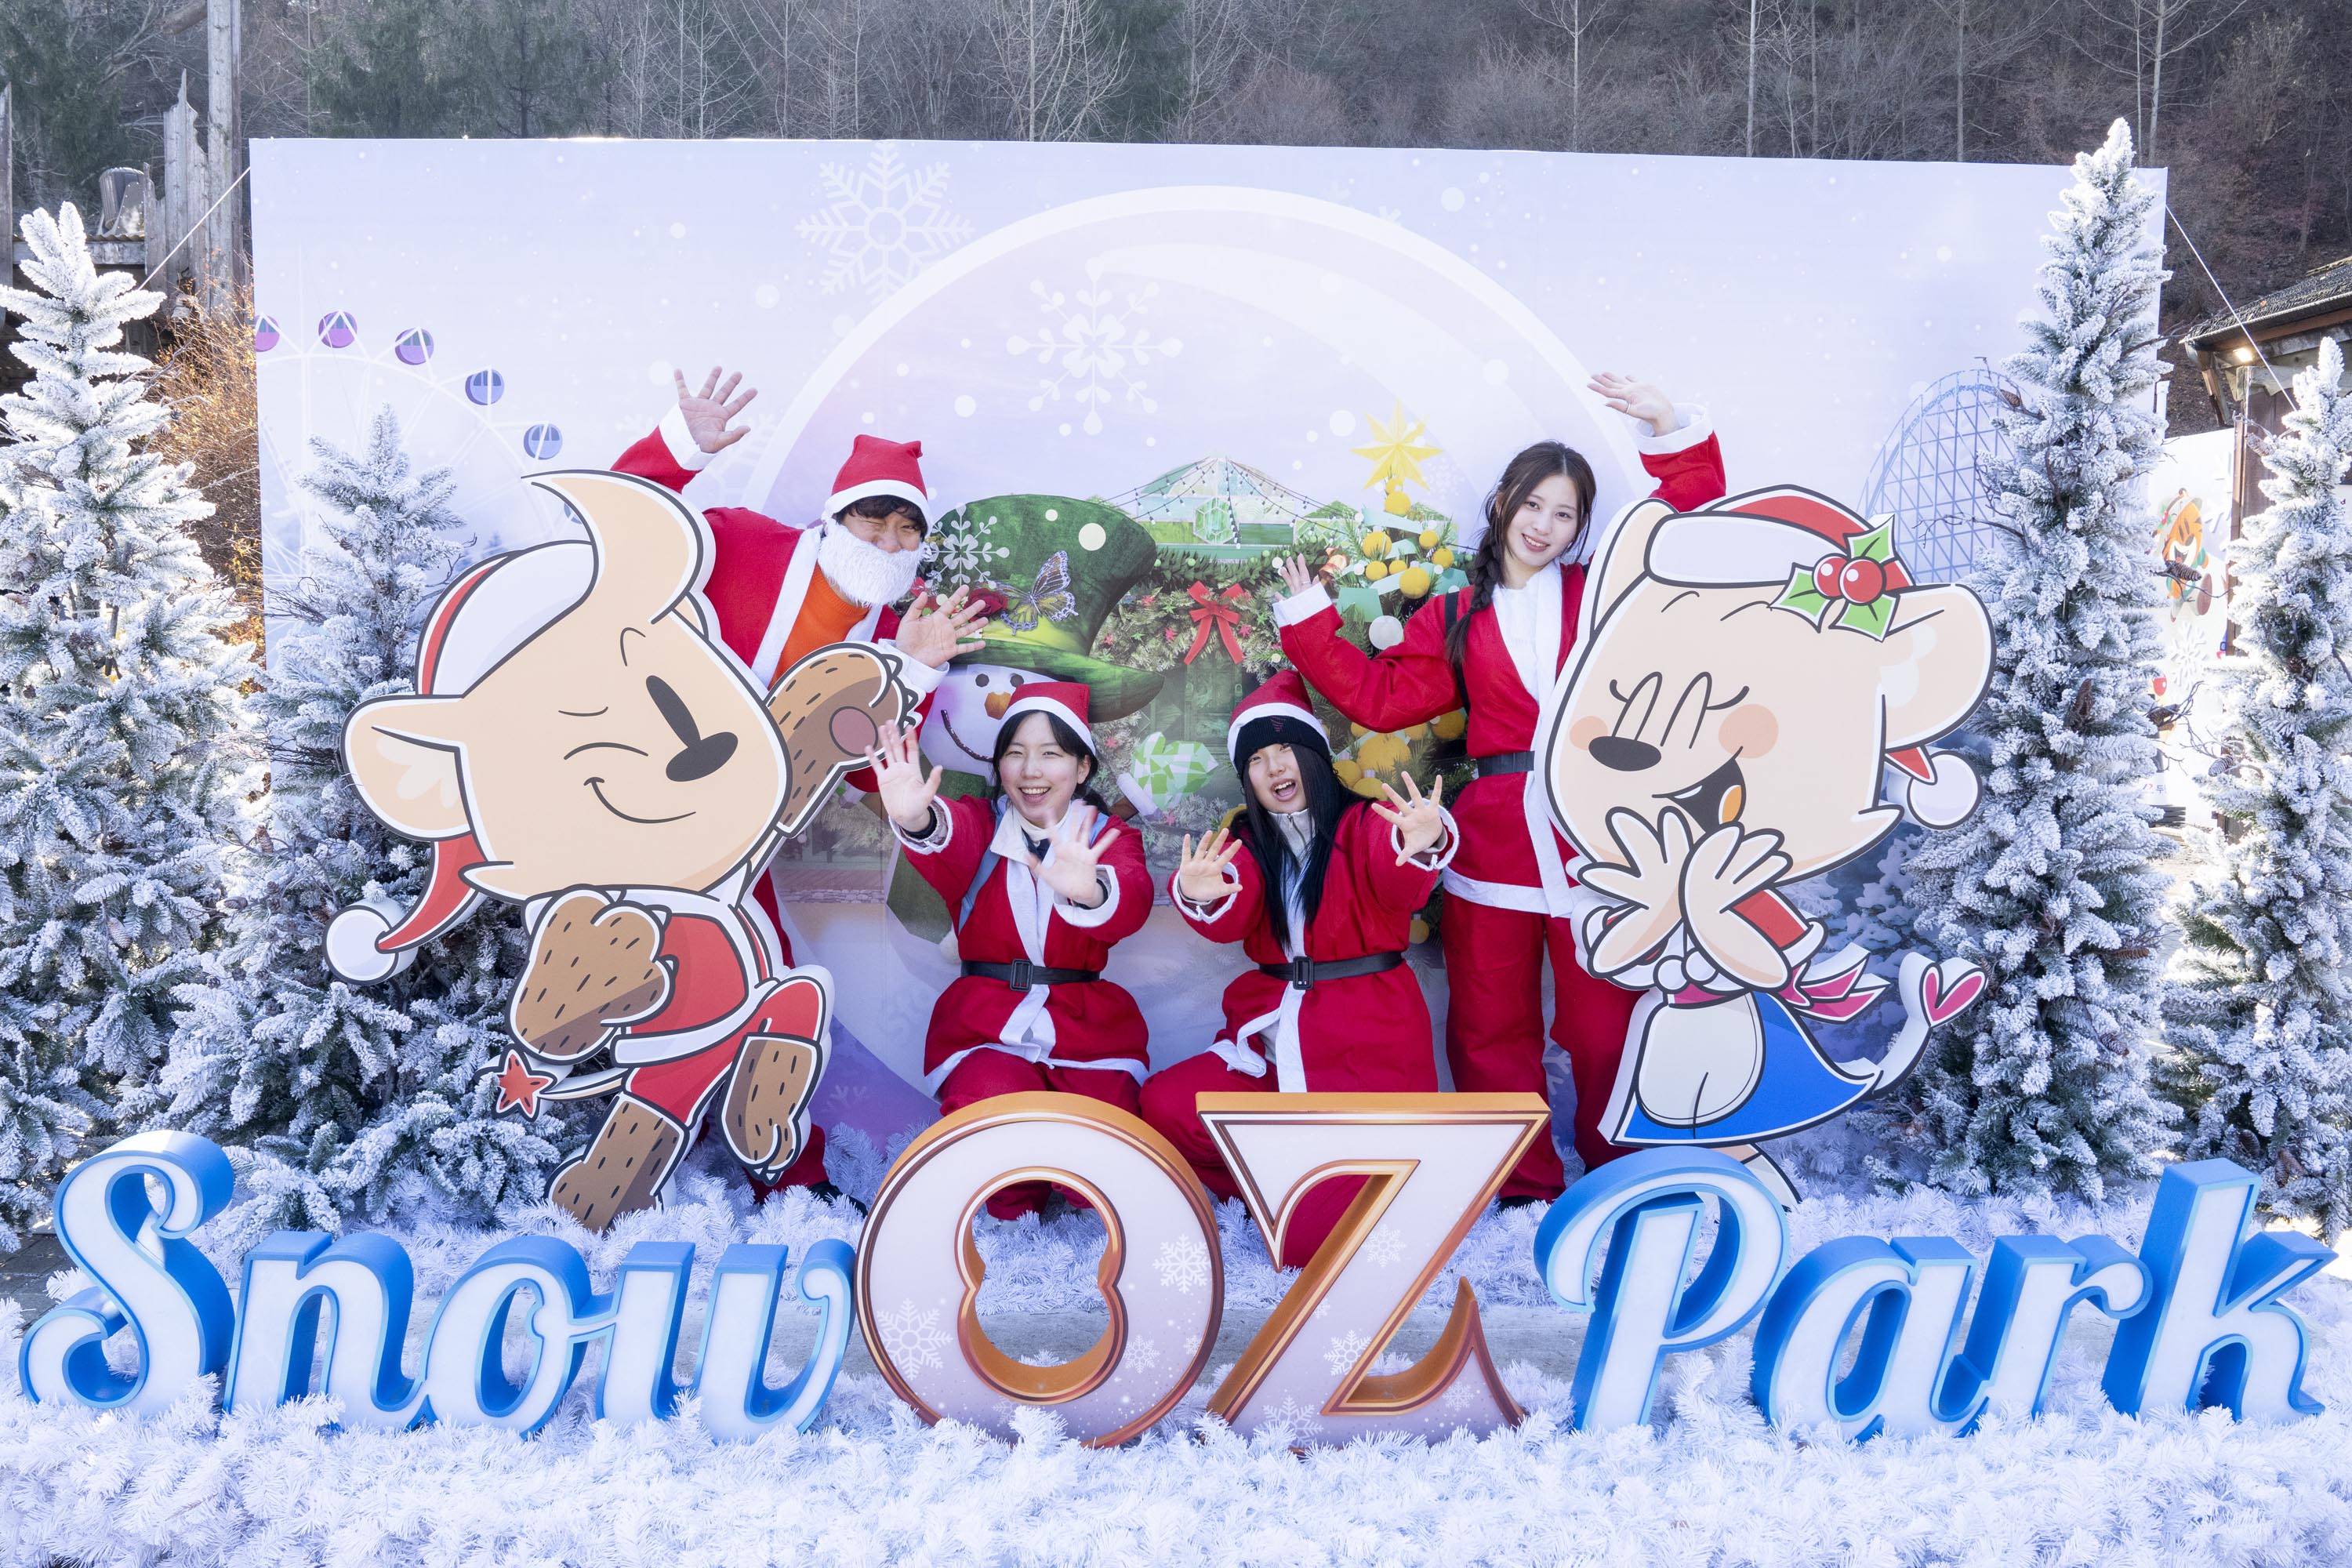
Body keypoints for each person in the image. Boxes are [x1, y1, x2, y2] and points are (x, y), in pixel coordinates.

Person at [1272, 372, 1727, 1202]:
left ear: (1582, 528)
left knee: (1605, 1022)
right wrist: (1309, 619)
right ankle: (1519, 1183)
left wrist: (1669, 429)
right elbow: (1378, 697)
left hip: (1599, 833)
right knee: (1489, 1023)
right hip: (1493, 841)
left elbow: (1687, 537)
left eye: (1566, 514)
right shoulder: (1454, 616)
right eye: (1534, 504)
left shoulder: (1603, 594)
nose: (1544, 525)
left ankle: (1623, 1174)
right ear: (1503, 503)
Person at [609, 365, 990, 1192]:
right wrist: (677, 450)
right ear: (836, 515)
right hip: (630, 798)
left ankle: (786, 1176)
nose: (888, 542)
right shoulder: (747, 543)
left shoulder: (891, 632)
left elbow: (869, 778)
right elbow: (620, 533)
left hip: (737, 844)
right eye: (874, 519)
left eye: (907, 530)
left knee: (766, 988)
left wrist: (913, 673)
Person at [1138, 672, 1456, 1266]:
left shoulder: (1366, 823)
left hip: (1364, 1046)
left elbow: (1399, 884)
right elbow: (1232, 914)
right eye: (1256, 759)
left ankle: (1320, 1197)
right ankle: (1264, 1188)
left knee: (1309, 1246)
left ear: (1312, 755)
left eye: (1285, 748)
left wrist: (1422, 842)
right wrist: (1202, 891)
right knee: (1167, 1104)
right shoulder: (1248, 840)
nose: (1274, 767)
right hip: (1274, 1041)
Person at [868, 682, 1154, 1218]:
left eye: (1051, 754)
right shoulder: (981, 823)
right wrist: (914, 818)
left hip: (1088, 1029)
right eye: (1016, 754)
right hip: (986, 1026)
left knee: (1104, 1161)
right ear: (999, 767)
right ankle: (1012, 1226)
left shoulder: (1109, 836)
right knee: (991, 1116)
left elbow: (1132, 896)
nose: (1031, 771)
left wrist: (1090, 890)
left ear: (1083, 768)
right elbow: (946, 835)